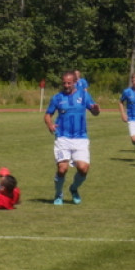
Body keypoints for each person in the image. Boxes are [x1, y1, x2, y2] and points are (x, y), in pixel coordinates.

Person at [44, 71, 101, 205]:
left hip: (80, 138)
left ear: (75, 82)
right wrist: (50, 125)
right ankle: (58, 194)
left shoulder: (83, 95)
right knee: (62, 169)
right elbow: (47, 115)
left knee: (83, 168)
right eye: (64, 83)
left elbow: (94, 112)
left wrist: (96, 109)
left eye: (69, 83)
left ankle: (73, 188)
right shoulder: (57, 98)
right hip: (63, 137)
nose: (66, 85)